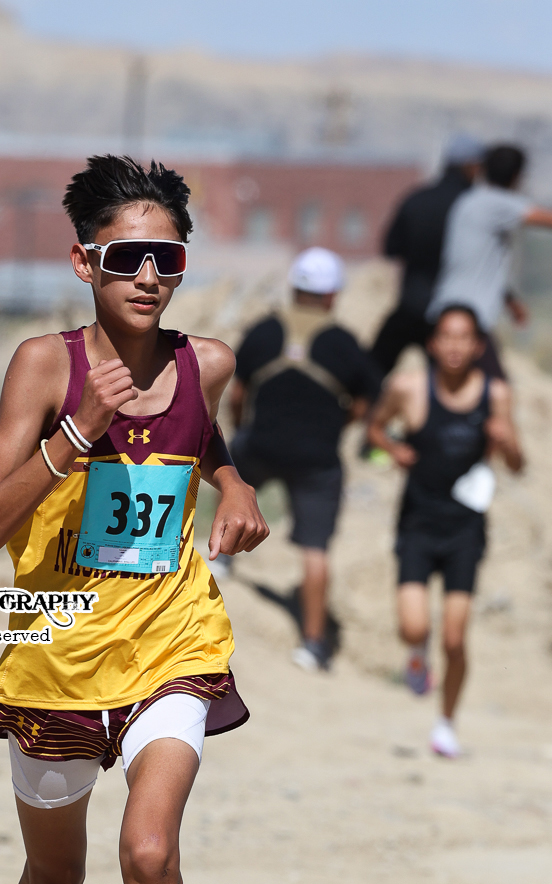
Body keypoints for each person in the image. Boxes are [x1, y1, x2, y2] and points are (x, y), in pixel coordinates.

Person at [0, 155, 267, 884]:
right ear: (84, 261)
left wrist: (234, 484)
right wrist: (78, 433)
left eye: (166, 256)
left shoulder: (207, 360)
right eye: (125, 256)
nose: (146, 273)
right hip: (55, 659)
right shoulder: (43, 368)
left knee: (150, 857)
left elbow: (200, 433)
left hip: (171, 643)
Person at [366, 304, 522, 758]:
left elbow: (518, 464)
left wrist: (506, 439)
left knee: (456, 639)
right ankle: (418, 656)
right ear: (433, 344)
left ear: (478, 346)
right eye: (446, 337)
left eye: (465, 338)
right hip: (417, 522)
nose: (455, 346)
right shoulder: (409, 386)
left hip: (465, 530)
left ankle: (446, 724)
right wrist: (393, 448)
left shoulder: (496, 394)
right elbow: (375, 429)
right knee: (413, 626)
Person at [228, 247, 380, 671]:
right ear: (333, 296)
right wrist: (341, 424)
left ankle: (219, 560)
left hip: (262, 446)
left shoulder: (262, 330)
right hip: (318, 459)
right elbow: (369, 399)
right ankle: (314, 644)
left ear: (294, 288)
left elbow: (238, 393)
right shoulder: (346, 343)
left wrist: (243, 430)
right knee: (315, 550)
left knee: (233, 482)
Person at [427, 144, 552, 378]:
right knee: (492, 392)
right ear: (517, 176)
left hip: (454, 309)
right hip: (466, 317)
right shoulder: (495, 202)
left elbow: (479, 263)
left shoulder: (472, 202)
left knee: (461, 388)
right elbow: (544, 218)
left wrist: (509, 300)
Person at [371, 132, 482, 377]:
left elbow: (390, 248)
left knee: (373, 373)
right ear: (472, 167)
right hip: (451, 315)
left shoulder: (416, 199)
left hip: (410, 304)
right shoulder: (474, 207)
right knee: (451, 387)